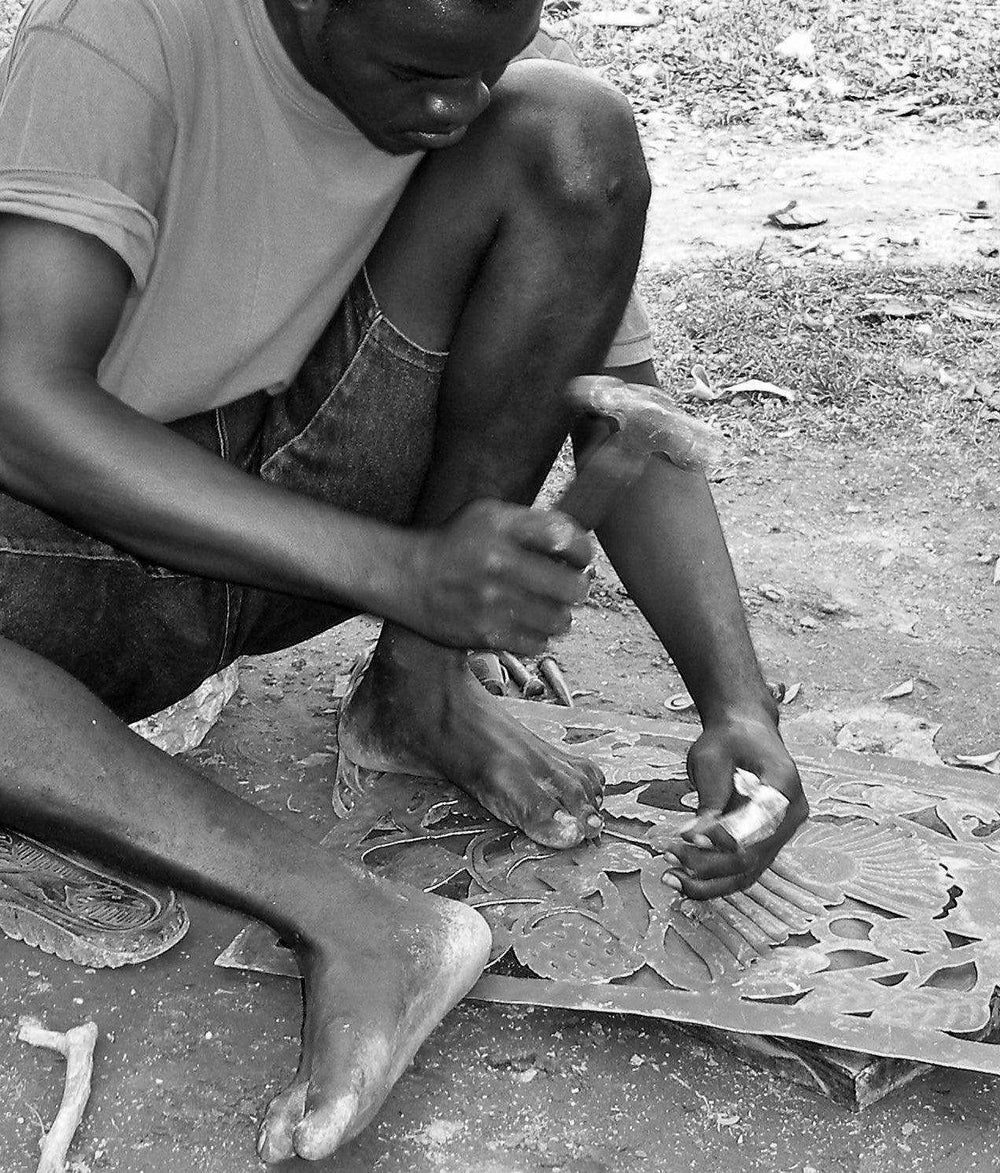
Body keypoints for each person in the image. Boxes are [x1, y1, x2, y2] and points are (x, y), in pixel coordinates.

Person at [0, 0, 807, 1161]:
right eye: (418, 71)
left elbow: (624, 413)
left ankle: (418, 694)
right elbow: (22, 408)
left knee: (571, 130)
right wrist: (405, 570)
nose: (453, 109)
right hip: (55, 567)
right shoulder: (126, 28)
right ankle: (358, 921)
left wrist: (737, 705)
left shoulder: (464, 92)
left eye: (482, 69)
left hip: (295, 511)